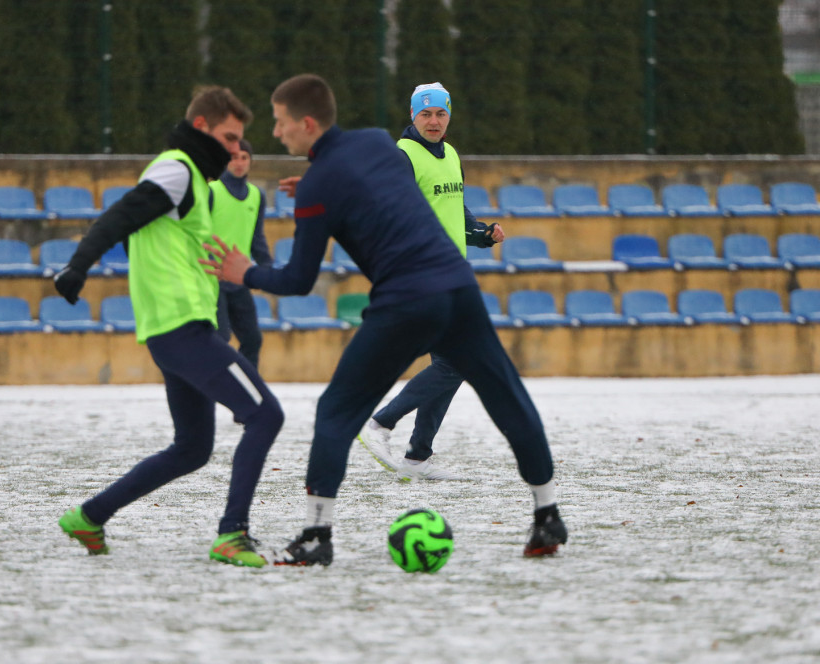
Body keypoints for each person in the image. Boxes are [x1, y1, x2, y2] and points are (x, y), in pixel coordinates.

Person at [202, 74, 566, 564]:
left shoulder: (319, 190)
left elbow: (298, 280)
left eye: (280, 122)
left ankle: (316, 536)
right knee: (507, 395)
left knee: (336, 412)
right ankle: (547, 515)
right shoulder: (376, 140)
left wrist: (246, 272)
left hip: (406, 298)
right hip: (458, 287)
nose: (275, 132)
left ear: (306, 123)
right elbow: (368, 180)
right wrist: (321, 186)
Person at [51, 86, 284, 568]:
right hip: (182, 329)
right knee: (266, 414)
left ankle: (89, 517)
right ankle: (232, 535)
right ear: (201, 128)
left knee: (193, 448)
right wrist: (78, 266)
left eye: (240, 140)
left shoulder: (194, 178)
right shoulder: (177, 170)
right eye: (228, 137)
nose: (235, 149)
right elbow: (120, 215)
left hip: (179, 329)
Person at [359, 82, 505, 482]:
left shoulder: (451, 154)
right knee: (459, 360)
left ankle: (418, 455)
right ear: (412, 116)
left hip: (450, 271)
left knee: (450, 362)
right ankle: (380, 424)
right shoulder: (402, 156)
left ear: (449, 115)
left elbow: (453, 208)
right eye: (426, 114)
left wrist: (480, 233)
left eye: (440, 113)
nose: (434, 121)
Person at [209, 139, 272, 369]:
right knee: (220, 338)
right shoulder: (212, 191)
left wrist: (267, 268)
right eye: (234, 157)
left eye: (244, 158)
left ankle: (248, 390)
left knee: (253, 339)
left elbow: (257, 238)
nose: (239, 163)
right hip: (212, 279)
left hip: (239, 278)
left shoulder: (257, 195)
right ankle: (215, 389)